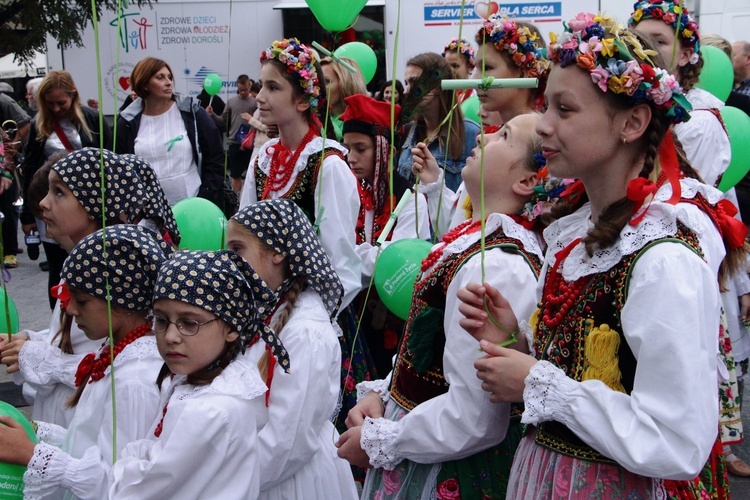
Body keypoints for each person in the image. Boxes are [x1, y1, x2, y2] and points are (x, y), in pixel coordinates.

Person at [460, 14, 733, 498]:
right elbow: (581, 374)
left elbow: (677, 441)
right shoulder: (575, 235)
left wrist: (539, 383)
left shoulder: (661, 260)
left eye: (564, 110)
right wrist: (518, 345)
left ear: (631, 122)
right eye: (547, 106)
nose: (542, 125)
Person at [337, 112, 550, 497]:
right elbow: (426, 348)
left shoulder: (499, 264)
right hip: (422, 434)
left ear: (526, 181)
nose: (483, 137)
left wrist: (385, 441)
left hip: (447, 461)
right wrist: (383, 394)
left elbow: (475, 416)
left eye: (503, 135)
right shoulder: (475, 239)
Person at [0, 148, 175, 427]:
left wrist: (40, 356)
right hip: (68, 413)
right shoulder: (80, 262)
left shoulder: (115, 272)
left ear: (95, 201)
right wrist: (33, 340)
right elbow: (73, 339)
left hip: (92, 418)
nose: (44, 203)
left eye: (59, 193)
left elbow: (112, 361)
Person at [0, 224, 168, 499]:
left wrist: (32, 453)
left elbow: (119, 484)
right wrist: (36, 431)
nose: (70, 308)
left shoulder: (134, 381)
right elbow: (88, 446)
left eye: (82, 300)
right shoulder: (116, 352)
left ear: (122, 299)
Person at [109, 250, 291, 497]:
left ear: (231, 328)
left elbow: (138, 491)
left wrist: (130, 462)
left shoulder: (208, 410)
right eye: (161, 321)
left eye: (189, 323)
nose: (171, 337)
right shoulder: (206, 382)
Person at [227, 199, 358, 499]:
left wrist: (229, 484)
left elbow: (287, 442)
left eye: (237, 249)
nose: (227, 259)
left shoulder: (305, 332)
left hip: (290, 481)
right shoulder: (267, 310)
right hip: (259, 467)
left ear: (277, 253)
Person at [240, 38, 361, 311]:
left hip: (312, 314)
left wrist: (312, 320)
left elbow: (341, 264)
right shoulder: (263, 160)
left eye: (273, 88)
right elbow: (245, 238)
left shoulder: (327, 165)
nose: (259, 97)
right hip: (265, 307)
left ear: (303, 102)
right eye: (262, 86)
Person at [413, 17, 550, 238]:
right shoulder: (490, 139)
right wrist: (435, 184)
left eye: (488, 68)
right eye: (476, 68)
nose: (476, 80)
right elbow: (463, 231)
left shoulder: (545, 145)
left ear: (524, 73)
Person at [340, 94, 430, 377]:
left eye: (361, 149)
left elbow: (397, 260)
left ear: (384, 150)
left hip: (388, 319)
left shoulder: (410, 199)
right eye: (347, 149)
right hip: (347, 312)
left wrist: (347, 257)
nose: (351, 158)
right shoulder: (343, 191)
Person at [20, 70, 114, 305]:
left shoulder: (92, 118)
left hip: (88, 207)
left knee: (91, 264)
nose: (56, 108)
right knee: (57, 268)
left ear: (73, 97)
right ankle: (59, 322)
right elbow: (30, 169)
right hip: (51, 204)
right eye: (49, 103)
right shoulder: (38, 124)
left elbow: (113, 160)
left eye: (61, 103)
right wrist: (27, 214)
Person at [116, 56, 227, 211]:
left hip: (193, 208)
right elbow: (120, 170)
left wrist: (205, 198)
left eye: (169, 77)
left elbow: (215, 157)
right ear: (144, 84)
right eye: (160, 77)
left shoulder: (193, 112)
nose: (168, 82)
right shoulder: (127, 122)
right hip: (149, 214)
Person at [396, 52, 480, 192]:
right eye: (406, 83)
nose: (405, 91)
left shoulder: (471, 134)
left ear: (438, 86)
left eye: (414, 82)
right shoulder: (406, 133)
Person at [207, 74, 258, 192]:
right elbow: (222, 121)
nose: (243, 92)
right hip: (234, 142)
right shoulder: (231, 101)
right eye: (240, 90)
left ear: (249, 85)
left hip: (250, 143)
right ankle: (236, 201)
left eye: (245, 90)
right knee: (235, 175)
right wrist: (212, 114)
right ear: (237, 87)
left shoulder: (255, 102)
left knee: (252, 176)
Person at [0, 91, 29, 269]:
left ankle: (10, 252)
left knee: (7, 208)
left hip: (2, 169)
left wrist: (7, 171)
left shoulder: (3, 101)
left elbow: (7, 143)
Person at [320, 56, 368, 141]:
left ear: (346, 83)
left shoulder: (363, 123)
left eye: (326, 82)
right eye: (317, 81)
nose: (318, 88)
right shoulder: (313, 117)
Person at [442, 37, 477, 103]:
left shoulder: (476, 97)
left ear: (469, 66)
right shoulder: (439, 96)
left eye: (455, 66)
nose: (450, 71)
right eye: (446, 66)